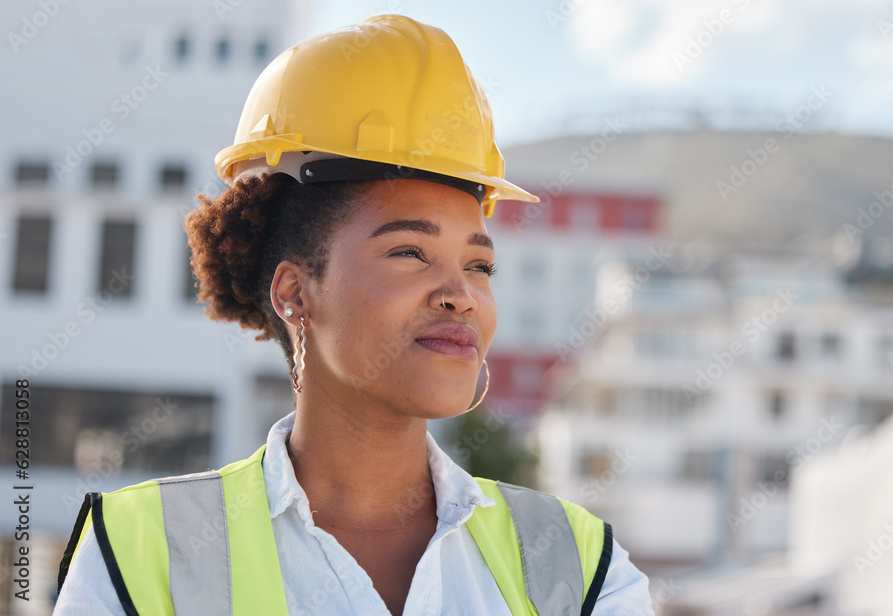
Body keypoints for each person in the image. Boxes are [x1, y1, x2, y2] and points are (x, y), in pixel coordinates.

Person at [53, 14, 655, 616]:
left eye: (478, 266)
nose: (460, 295)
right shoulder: (136, 553)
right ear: (295, 293)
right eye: (409, 253)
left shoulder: (579, 565)